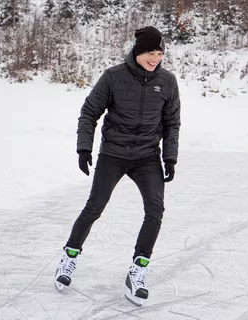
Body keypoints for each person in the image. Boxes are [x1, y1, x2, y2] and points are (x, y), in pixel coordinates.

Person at [55, 26, 181, 306]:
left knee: (155, 210)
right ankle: (69, 257)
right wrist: (84, 147)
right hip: (113, 153)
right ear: (138, 51)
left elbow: (172, 123)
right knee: (95, 206)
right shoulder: (113, 77)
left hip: (147, 156)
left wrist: (169, 156)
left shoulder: (168, 82)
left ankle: (138, 269)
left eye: (160, 53)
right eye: (151, 52)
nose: (155, 59)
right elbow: (89, 112)